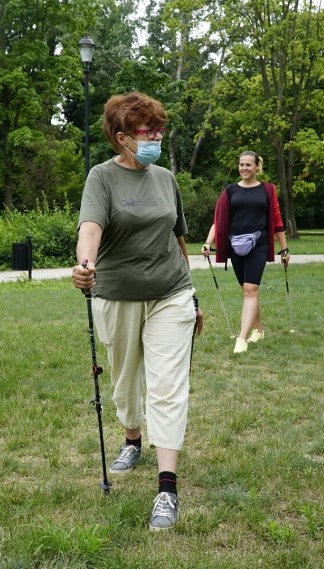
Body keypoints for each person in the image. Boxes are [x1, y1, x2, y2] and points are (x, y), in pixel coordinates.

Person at [71, 92, 202, 531]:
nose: (157, 138)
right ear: (123, 137)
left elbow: (178, 238)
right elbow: (90, 228)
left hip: (171, 292)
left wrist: (193, 294)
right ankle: (132, 437)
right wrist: (84, 263)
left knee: (167, 386)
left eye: (160, 131)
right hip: (117, 294)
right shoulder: (101, 178)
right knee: (126, 381)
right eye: (149, 132)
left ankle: (168, 488)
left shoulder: (166, 178)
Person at [202, 151, 290, 353]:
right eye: (241, 164)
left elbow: (276, 220)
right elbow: (219, 220)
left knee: (250, 290)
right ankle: (258, 329)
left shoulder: (267, 190)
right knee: (247, 290)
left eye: (249, 165)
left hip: (258, 244)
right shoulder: (230, 191)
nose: (244, 168)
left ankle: (241, 339)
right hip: (235, 246)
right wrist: (208, 243)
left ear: (258, 167)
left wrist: (284, 249)